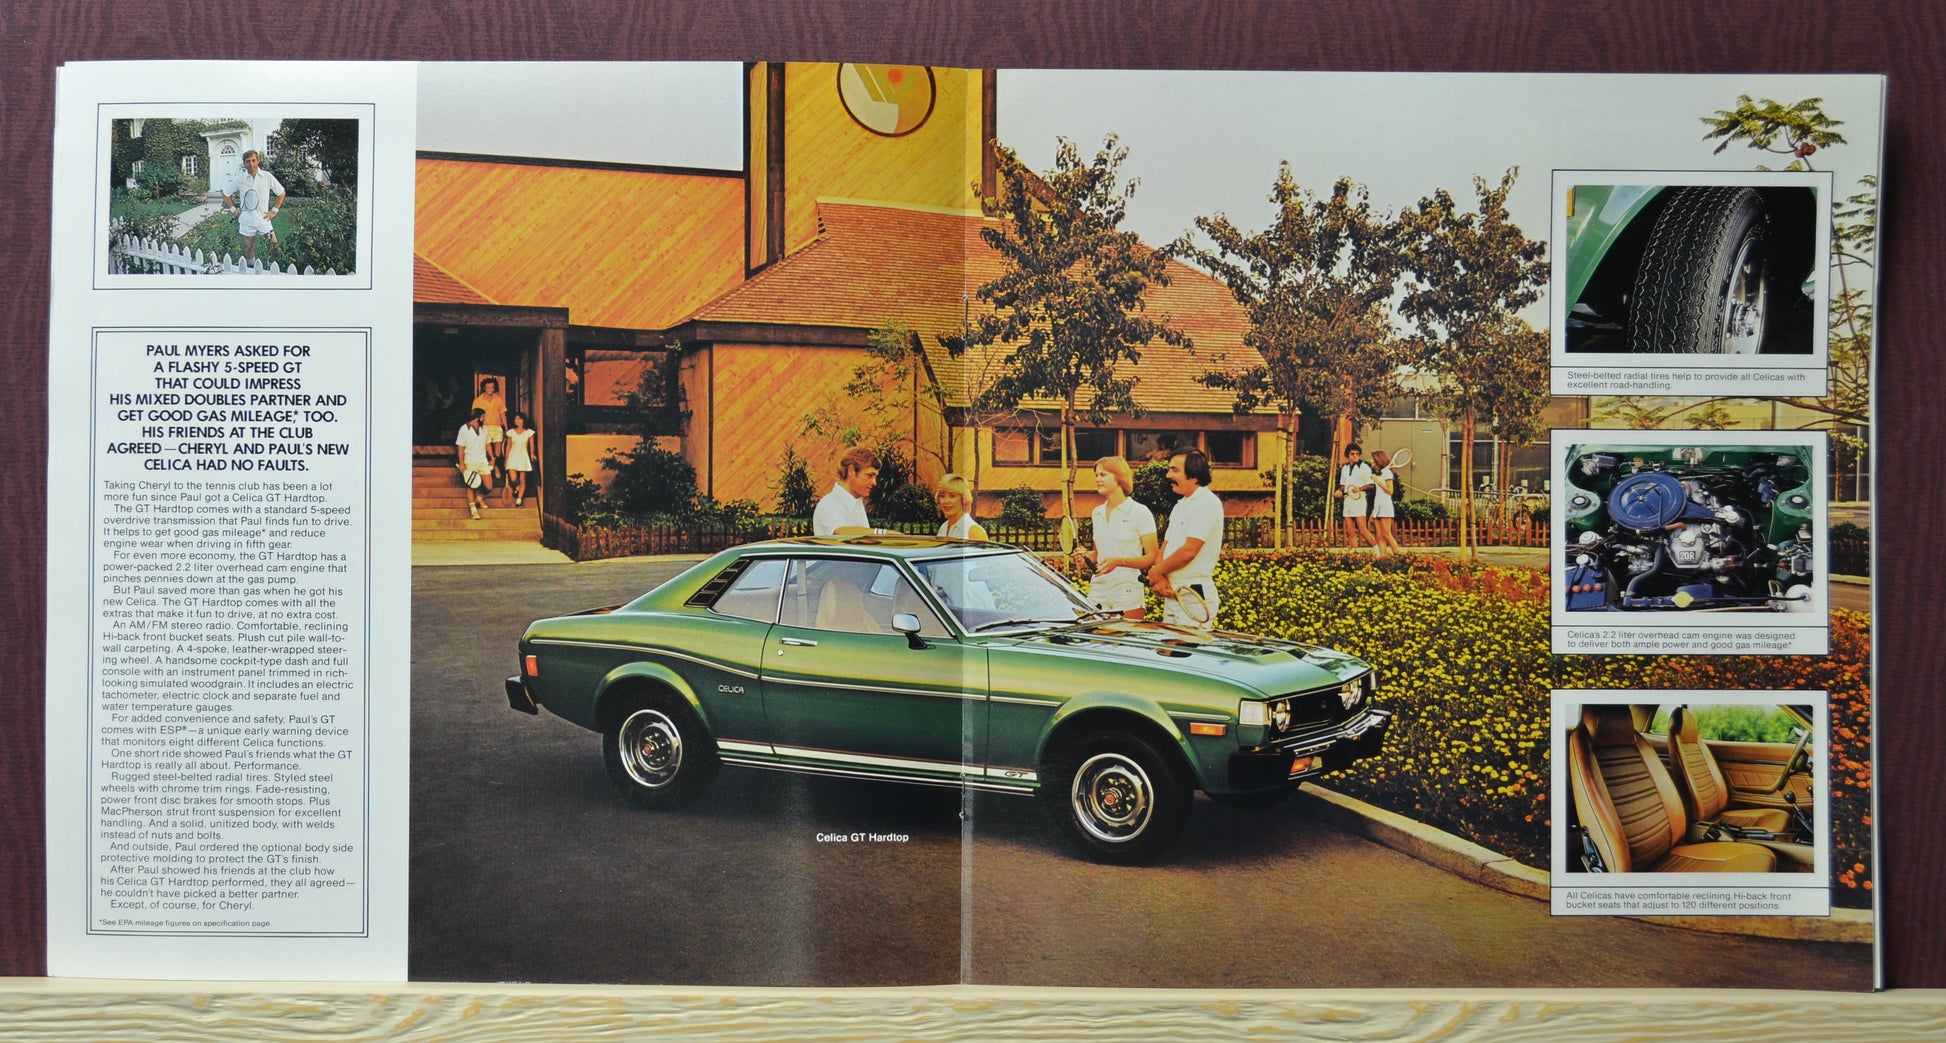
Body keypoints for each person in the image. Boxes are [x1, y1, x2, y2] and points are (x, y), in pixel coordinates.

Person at [1147, 449, 1223, 628]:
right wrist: (1158, 576)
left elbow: (1189, 550)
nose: (1168, 475)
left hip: (1193, 593)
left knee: (1187, 653)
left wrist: (1156, 572)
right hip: (1172, 591)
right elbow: (1166, 545)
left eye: (1175, 470)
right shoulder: (1181, 505)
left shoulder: (1207, 503)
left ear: (1194, 475)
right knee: (1169, 652)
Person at [1078, 456, 1157, 619]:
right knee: (1095, 642)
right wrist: (1086, 556)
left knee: (1125, 642)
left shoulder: (1140, 512)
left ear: (1119, 477)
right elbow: (1098, 554)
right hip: (1098, 589)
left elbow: (1152, 556)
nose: (1098, 479)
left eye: (1103, 475)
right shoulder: (1097, 513)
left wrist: (1119, 562)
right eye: (1096, 475)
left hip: (1127, 590)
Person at [220, 149, 285, 265]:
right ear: (244, 163)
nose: (251, 164)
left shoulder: (267, 176)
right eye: (248, 161)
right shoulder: (239, 179)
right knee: (249, 247)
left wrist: (274, 211)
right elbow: (225, 194)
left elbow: (281, 192)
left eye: (253, 160)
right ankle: (250, 270)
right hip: (247, 220)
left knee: (274, 246)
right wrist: (233, 210)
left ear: (258, 161)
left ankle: (273, 269)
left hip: (264, 219)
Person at [812, 447, 879, 536]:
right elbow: (842, 533)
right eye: (870, 475)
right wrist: (885, 534)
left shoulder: (857, 503)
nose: (874, 482)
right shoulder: (830, 503)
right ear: (851, 471)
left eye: (875, 477)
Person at [1335, 442, 1376, 551]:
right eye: (1352, 454)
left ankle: (1378, 551)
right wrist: (1338, 491)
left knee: (1363, 530)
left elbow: (1371, 485)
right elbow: (1343, 486)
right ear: (1347, 455)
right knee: (1350, 531)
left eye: (1357, 454)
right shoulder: (1345, 468)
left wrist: (1359, 489)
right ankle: (1354, 554)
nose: (1355, 456)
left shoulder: (1364, 467)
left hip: (1359, 500)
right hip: (1347, 500)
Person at [455, 408, 493, 519]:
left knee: (489, 486)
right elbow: (461, 447)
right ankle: (473, 510)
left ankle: (479, 498)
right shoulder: (464, 429)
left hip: (482, 461)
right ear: (477, 418)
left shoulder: (484, 429)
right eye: (483, 417)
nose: (485, 419)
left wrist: (493, 457)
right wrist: (462, 463)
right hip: (470, 461)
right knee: (471, 486)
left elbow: (488, 444)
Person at [1370, 449, 1404, 559]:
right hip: (1378, 507)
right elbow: (1378, 495)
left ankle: (1400, 557)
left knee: (1386, 534)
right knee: (1379, 536)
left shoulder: (1387, 473)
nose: (1371, 461)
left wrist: (1378, 481)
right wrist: (1373, 512)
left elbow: (1390, 491)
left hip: (1385, 507)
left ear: (1378, 460)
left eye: (1373, 459)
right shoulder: (1380, 473)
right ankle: (1383, 558)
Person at [935, 473, 988, 541]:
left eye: (952, 496)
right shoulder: (943, 528)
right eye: (942, 496)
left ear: (963, 499)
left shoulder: (974, 531)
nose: (946, 501)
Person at [472, 378, 508, 474]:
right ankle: (494, 468)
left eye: (492, 387)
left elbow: (503, 414)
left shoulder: (498, 399)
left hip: (497, 428)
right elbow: (475, 416)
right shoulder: (478, 400)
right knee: (487, 451)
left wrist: (506, 428)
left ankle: (494, 464)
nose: (490, 389)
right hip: (485, 428)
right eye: (488, 387)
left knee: (498, 453)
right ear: (484, 388)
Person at [503, 412, 537, 508]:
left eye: (519, 419)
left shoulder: (529, 432)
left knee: (523, 479)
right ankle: (517, 488)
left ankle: (519, 500)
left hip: (523, 456)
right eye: (516, 419)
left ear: (523, 420)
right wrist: (506, 459)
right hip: (513, 456)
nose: (517, 421)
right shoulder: (511, 432)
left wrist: (532, 454)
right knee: (513, 478)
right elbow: (508, 446)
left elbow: (531, 447)